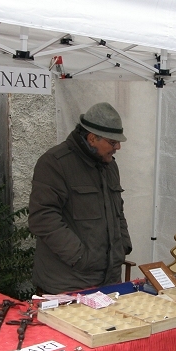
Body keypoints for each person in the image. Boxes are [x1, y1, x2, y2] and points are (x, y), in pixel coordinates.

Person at [28, 102, 132, 294]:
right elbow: (42, 218)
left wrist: (122, 246)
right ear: (92, 138)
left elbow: (118, 212)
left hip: (109, 281)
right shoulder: (55, 163)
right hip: (67, 283)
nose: (118, 147)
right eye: (112, 142)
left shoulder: (109, 166)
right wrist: (82, 258)